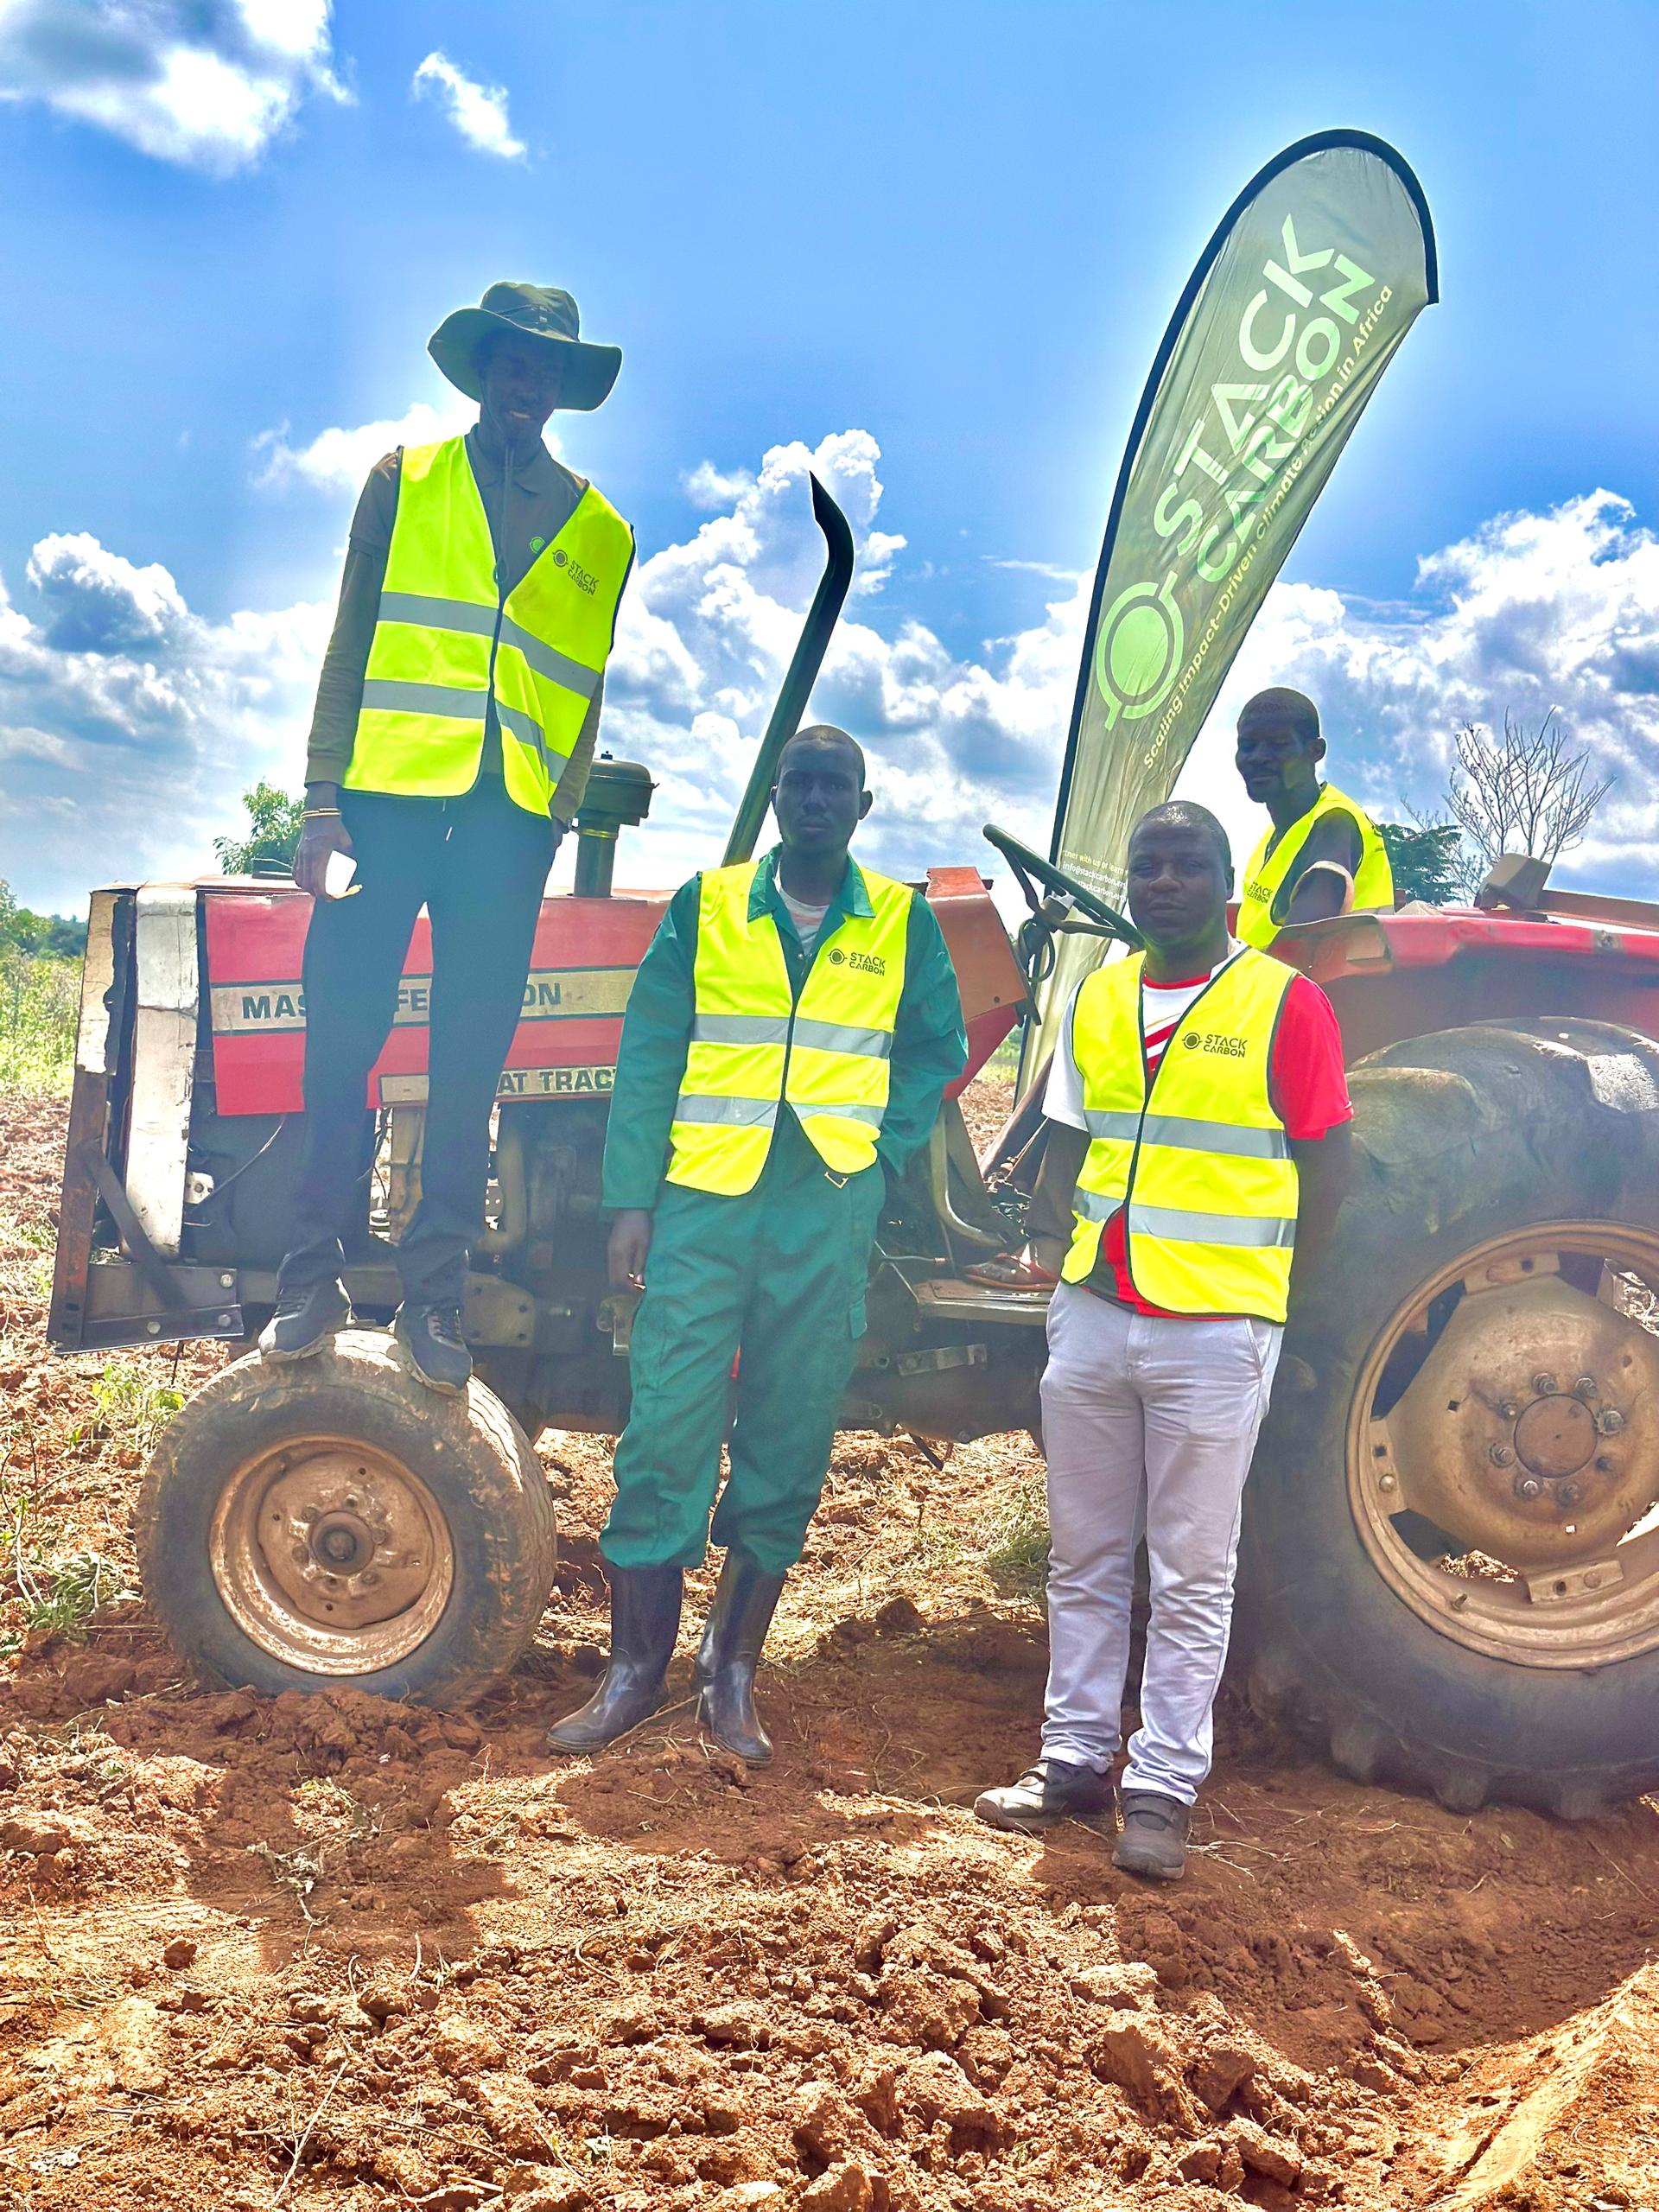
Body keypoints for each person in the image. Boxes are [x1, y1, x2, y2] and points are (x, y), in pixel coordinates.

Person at [550, 726, 966, 1764]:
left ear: (863, 807)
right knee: (666, 1423)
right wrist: (629, 1199)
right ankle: (634, 1669)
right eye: (801, 784)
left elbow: (935, 1052)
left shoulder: (905, 925)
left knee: (791, 1425)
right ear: (776, 797)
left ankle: (729, 1671)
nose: (817, 800)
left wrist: (880, 1146)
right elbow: (650, 1051)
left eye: (837, 786)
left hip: (825, 1202)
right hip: (705, 1197)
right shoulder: (710, 905)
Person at [257, 283, 634, 1392]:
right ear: (482, 374)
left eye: (547, 371)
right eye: (513, 365)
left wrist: (553, 817)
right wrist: (323, 800)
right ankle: (308, 1275)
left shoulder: (601, 531)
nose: (528, 386)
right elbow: (350, 640)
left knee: (472, 1066)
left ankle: (435, 1298)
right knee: (343, 1042)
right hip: (385, 803)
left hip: (505, 827)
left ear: (563, 390)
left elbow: (584, 694)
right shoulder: (404, 480)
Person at [974, 801, 1351, 1880]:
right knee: (1085, 1557)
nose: (1166, 881)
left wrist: (1278, 1298)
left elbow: (1330, 1164)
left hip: (1214, 1326)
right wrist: (1056, 1268)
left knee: (1192, 1568)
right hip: (1096, 1310)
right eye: (1150, 865)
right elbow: (1068, 1140)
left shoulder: (1288, 1003)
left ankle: (1164, 1786)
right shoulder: (1098, 997)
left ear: (1227, 886)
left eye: (1190, 865)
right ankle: (1074, 1760)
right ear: (1131, 882)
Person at [1234, 687, 1393, 946]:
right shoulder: (1277, 835)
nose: (1258, 758)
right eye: (1247, 746)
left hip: (1332, 987)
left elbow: (1298, 951)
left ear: (1315, 751)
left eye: (1278, 745)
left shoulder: (1335, 823)